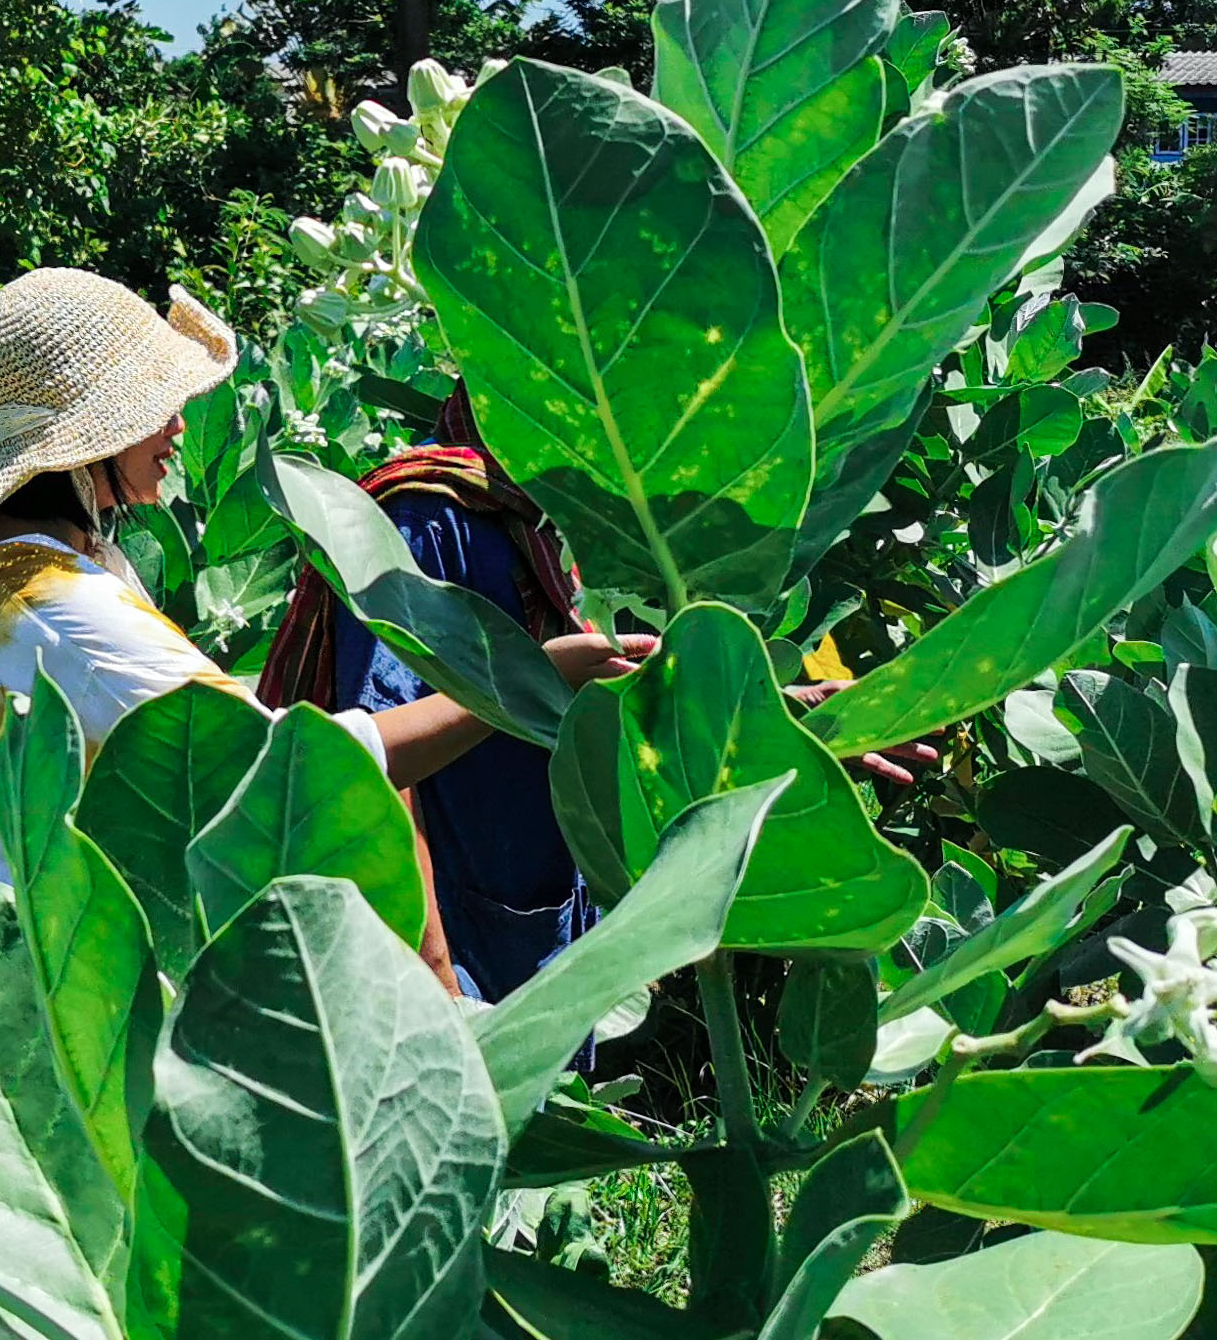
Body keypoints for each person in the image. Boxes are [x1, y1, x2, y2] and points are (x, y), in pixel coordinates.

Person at [0, 269, 646, 912]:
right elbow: (296, 771)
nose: (180, 425)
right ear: (86, 446)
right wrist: (527, 680)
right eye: (152, 408)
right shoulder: (66, 613)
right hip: (32, 996)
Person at [262, 387, 934, 1001]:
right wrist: (431, 976)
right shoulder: (428, 516)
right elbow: (366, 767)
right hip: (446, 948)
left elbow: (620, 686)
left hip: (536, 917)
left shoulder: (566, 514)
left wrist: (789, 719)